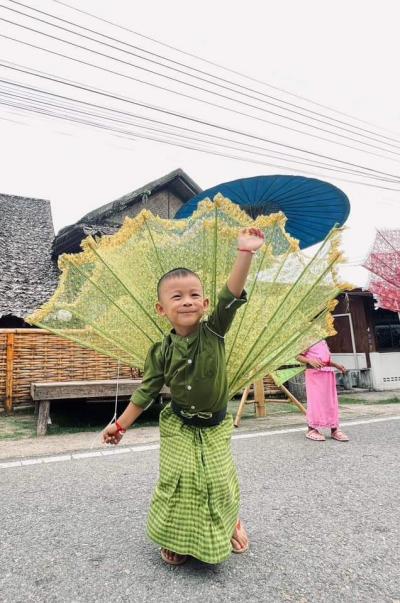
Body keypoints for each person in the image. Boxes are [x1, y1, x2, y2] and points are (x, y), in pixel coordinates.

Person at [102, 227, 265, 566]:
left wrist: (245, 253)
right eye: (177, 297)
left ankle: (231, 520)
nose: (187, 300)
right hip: (178, 424)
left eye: (194, 295)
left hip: (215, 425)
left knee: (217, 480)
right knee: (178, 480)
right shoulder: (160, 351)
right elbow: (146, 391)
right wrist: (120, 426)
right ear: (161, 309)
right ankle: (174, 538)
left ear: (205, 304)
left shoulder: (215, 331)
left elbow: (230, 296)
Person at [296, 340, 349, 442]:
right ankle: (311, 429)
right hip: (314, 374)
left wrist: (336, 365)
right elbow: (297, 356)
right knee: (316, 402)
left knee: (331, 402)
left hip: (327, 373)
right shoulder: (308, 339)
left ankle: (334, 428)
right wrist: (309, 360)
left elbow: (325, 360)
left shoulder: (323, 341)